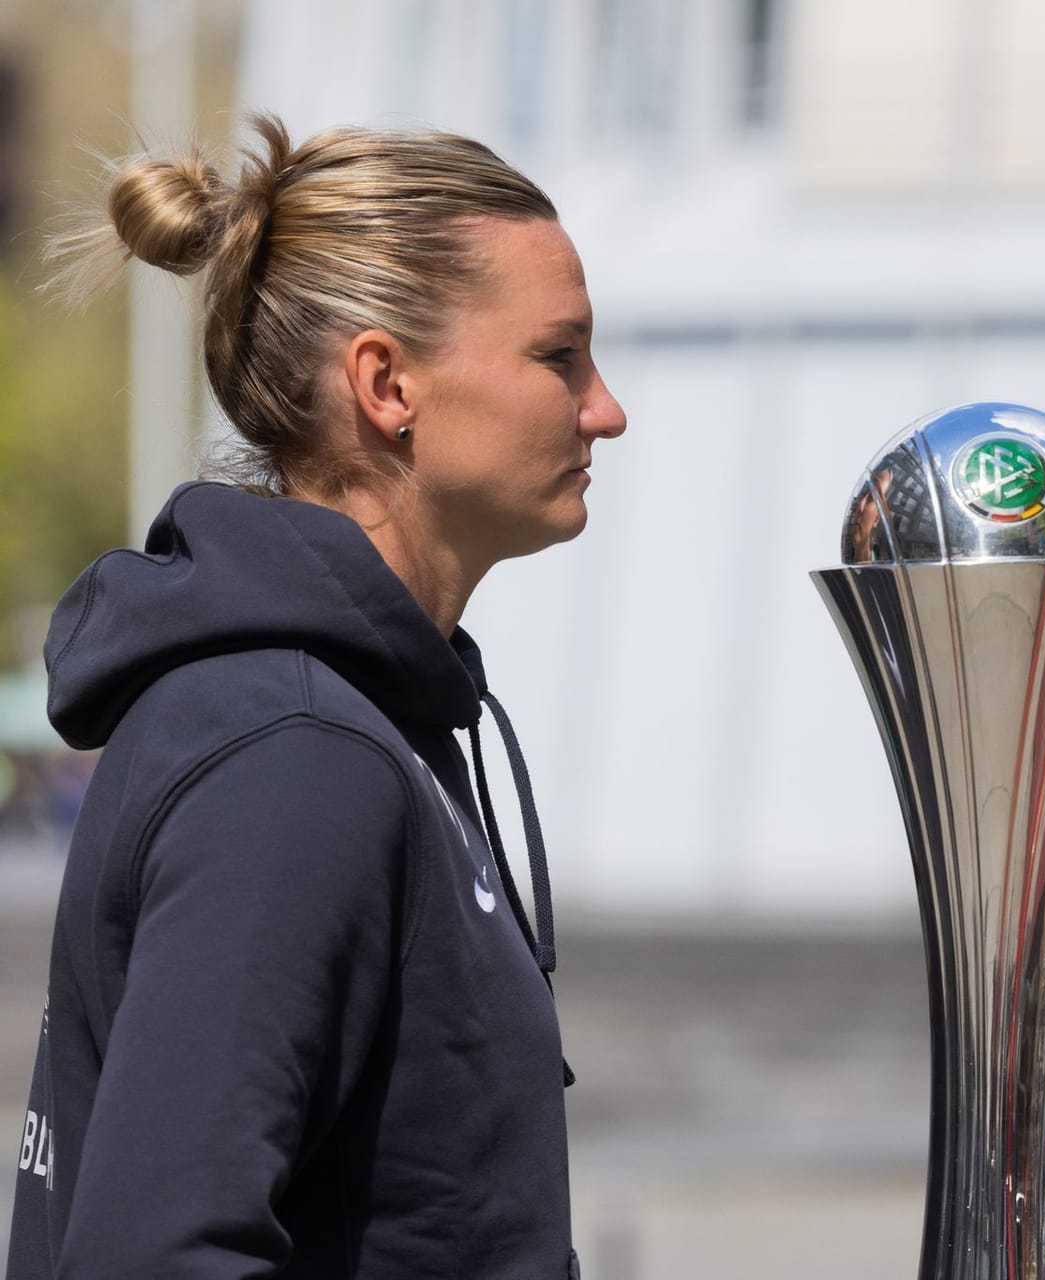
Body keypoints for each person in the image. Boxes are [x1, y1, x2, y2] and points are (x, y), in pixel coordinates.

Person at [9, 114, 626, 1277]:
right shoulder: (293, 753)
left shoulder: (349, 721)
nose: (605, 408)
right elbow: (157, 1252)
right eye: (560, 357)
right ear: (387, 382)